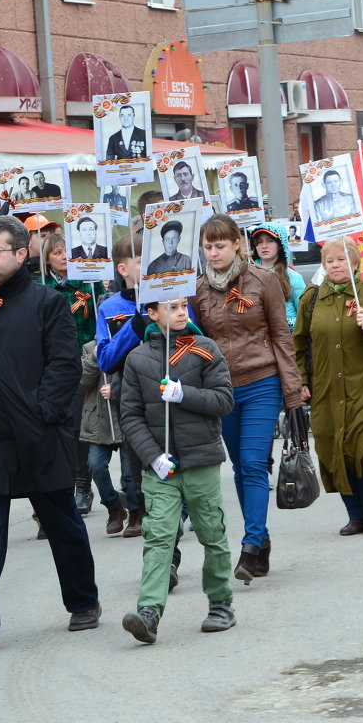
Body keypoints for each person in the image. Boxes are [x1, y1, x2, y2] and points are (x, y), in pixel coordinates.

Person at [0, 216, 102, 653]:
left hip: (37, 434)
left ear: (19, 254)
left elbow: (65, 367)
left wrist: (42, 413)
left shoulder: (47, 303)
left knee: (61, 522)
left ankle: (83, 601)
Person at [118, 297, 236, 643]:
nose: (182, 312)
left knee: (211, 532)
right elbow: (130, 416)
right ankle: (149, 612)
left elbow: (223, 400)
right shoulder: (137, 359)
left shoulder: (205, 348)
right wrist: (152, 456)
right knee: (159, 536)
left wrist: (184, 393)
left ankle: (220, 603)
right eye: (171, 307)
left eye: (184, 305)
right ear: (152, 314)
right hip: (160, 468)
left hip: (201, 460)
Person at [196, 214, 303, 582]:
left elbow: (281, 337)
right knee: (241, 468)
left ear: (237, 245)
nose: (213, 253)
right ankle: (263, 540)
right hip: (223, 390)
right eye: (208, 246)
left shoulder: (265, 280)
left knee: (255, 463)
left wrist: (292, 392)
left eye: (220, 245)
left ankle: (251, 543)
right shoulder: (197, 290)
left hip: (262, 382)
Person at [294, 237, 363, 534]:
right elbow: (299, 344)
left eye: (341, 259)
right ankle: (354, 514)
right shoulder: (312, 298)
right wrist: (302, 382)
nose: (335, 265)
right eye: (329, 261)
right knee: (334, 448)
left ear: (355, 263)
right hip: (327, 389)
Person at [41, 232, 103, 515]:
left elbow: (102, 317)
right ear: (47, 259)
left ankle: (83, 485)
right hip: (55, 362)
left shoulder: (89, 282)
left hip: (87, 359)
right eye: (56, 252)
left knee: (81, 426)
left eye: (67, 251)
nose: (63, 256)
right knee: (62, 427)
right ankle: (65, 483)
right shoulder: (40, 286)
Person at [96, 234, 152, 538]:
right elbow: (104, 359)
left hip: (166, 391)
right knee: (135, 461)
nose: (148, 266)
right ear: (123, 269)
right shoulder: (109, 307)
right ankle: (138, 508)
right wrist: (133, 327)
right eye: (142, 261)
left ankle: (180, 509)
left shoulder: (171, 297)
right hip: (128, 392)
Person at [79, 340, 134, 536]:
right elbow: (81, 381)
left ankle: (136, 514)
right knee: (95, 464)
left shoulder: (130, 342)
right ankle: (114, 505)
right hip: (99, 420)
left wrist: (117, 389)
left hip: (126, 417)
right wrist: (94, 357)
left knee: (130, 474)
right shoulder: (89, 347)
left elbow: (140, 378)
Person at [248, 221, 306, 329]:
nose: (264, 246)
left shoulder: (294, 277)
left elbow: (304, 316)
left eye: (270, 241)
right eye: (259, 242)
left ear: (280, 245)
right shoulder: (247, 275)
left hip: (287, 340)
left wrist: (284, 323)